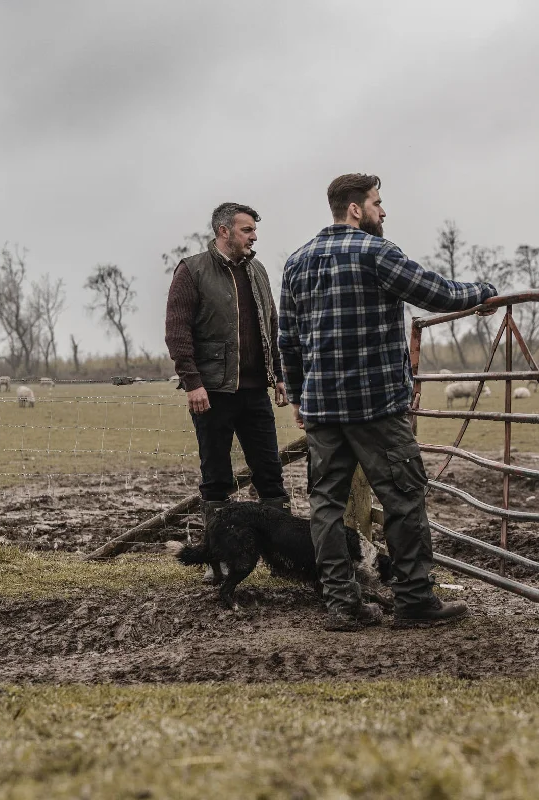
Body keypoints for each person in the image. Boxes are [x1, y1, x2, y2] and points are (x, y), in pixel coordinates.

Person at [279, 174, 498, 631]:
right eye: (378, 203)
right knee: (403, 497)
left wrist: (299, 397)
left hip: (322, 408)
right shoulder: (377, 253)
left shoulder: (297, 262)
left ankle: (342, 604)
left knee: (326, 504)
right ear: (356, 209)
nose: (384, 212)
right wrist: (482, 293)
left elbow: (289, 341)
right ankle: (415, 600)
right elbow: (435, 293)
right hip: (376, 405)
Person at [166, 202, 290, 580]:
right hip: (213, 393)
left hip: (254, 393)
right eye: (247, 230)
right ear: (224, 231)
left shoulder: (258, 271)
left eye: (254, 230)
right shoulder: (192, 271)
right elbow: (177, 332)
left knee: (270, 475)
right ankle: (218, 560)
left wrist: (279, 375)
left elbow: (272, 325)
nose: (254, 236)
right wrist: (193, 383)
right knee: (216, 478)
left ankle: (281, 556)